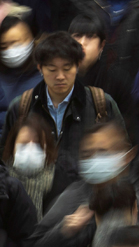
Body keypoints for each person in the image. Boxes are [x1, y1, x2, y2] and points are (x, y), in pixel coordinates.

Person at [3, 30, 121, 180]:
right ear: (40, 68)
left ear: (78, 66)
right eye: (52, 70)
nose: (60, 76)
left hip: (86, 190)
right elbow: (4, 158)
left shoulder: (101, 103)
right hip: (30, 191)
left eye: (67, 68)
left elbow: (121, 152)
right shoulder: (21, 106)